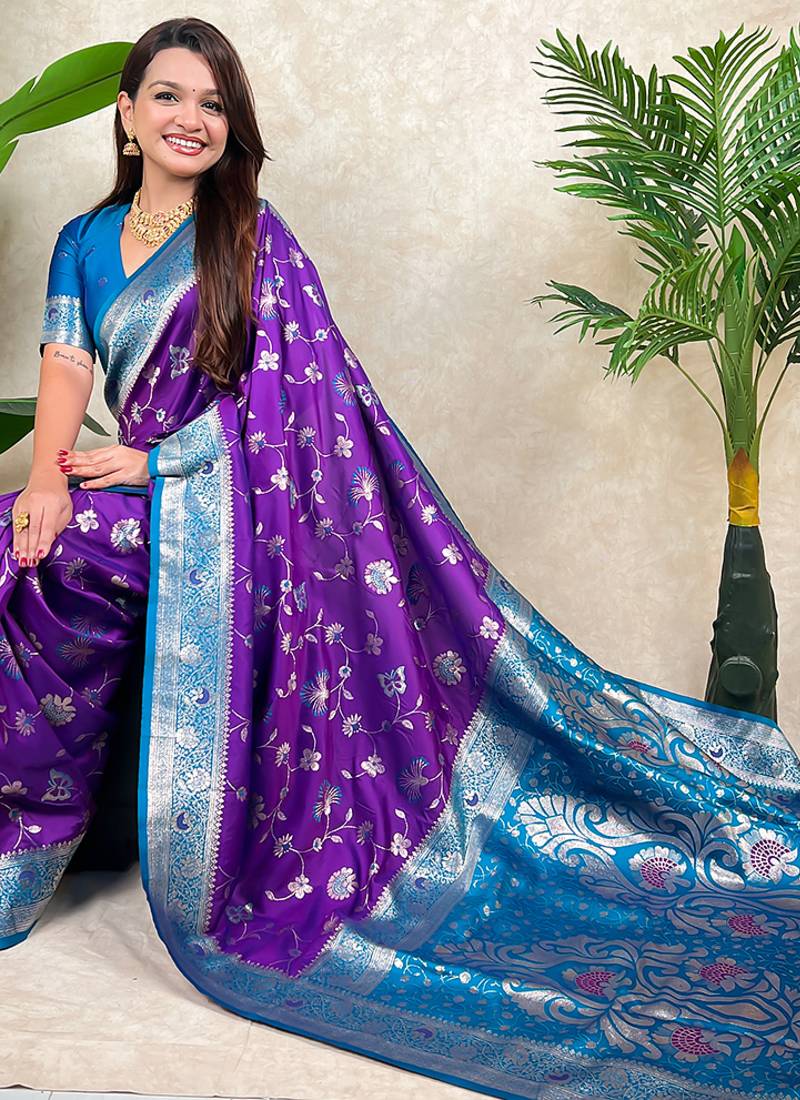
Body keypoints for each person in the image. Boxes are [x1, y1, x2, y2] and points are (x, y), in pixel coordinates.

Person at [2, 16, 799, 1100]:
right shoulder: (85, 238)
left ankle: (43, 835)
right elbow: (64, 363)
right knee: (19, 540)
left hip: (234, 511)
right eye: (170, 97)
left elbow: (299, 407)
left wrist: (159, 463)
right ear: (127, 114)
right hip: (129, 487)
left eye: (214, 104)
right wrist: (48, 478)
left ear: (232, 127)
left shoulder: (253, 237)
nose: (191, 119)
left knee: (79, 560)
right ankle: (30, 840)